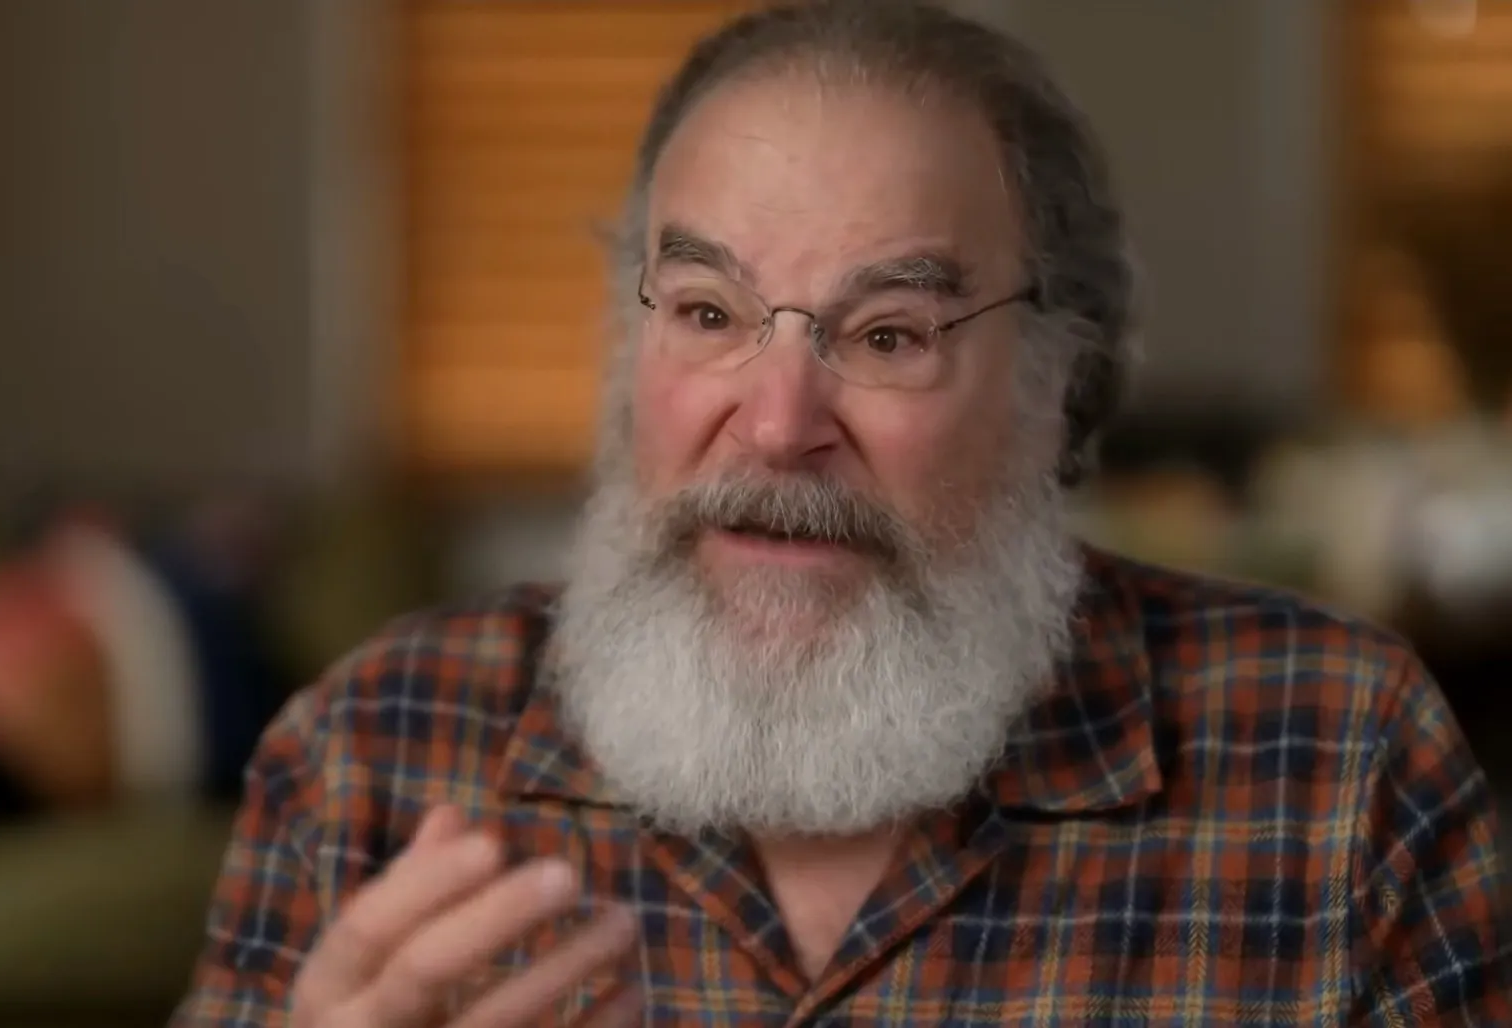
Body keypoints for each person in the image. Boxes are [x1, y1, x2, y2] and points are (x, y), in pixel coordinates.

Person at [174, 1, 1512, 1023]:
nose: (774, 422)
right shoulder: (364, 760)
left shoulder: (1340, 767)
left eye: (888, 333)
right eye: (705, 313)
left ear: (1056, 387)